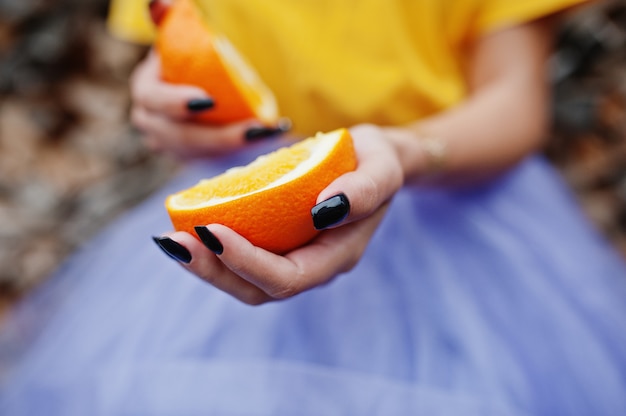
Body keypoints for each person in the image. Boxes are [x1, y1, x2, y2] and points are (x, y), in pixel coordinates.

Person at [1, 0, 626, 414]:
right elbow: (186, 58)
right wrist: (167, 104)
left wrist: (406, 151)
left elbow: (516, 99)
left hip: (449, 207)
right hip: (256, 200)